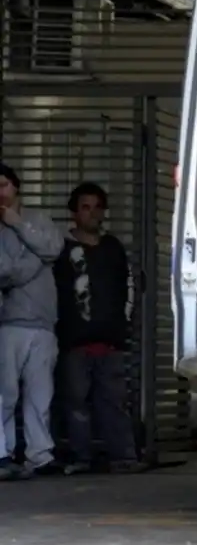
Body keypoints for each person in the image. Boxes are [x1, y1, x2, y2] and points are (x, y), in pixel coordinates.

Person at [53, 182, 144, 475]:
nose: (92, 213)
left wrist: (124, 323)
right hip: (73, 342)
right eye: (85, 207)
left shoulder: (112, 248)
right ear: (74, 212)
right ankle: (80, 457)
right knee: (76, 403)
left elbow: (128, 287)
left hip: (110, 342)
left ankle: (123, 456)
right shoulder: (61, 250)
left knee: (115, 402)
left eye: (97, 207)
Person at [0, 163, 64, 479]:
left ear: (16, 186)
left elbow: (55, 247)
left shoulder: (37, 219)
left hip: (43, 324)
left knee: (41, 396)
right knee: (6, 395)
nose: (0, 193)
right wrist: (39, 259)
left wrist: (18, 224)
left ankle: (40, 455)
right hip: (8, 323)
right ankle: (6, 454)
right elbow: (4, 272)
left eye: (3, 185)